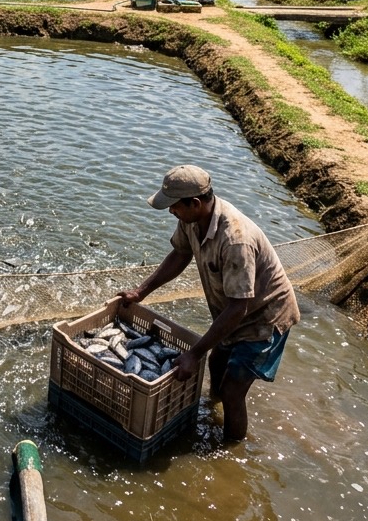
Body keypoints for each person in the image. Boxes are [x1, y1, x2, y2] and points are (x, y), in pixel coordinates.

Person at [119, 165, 300, 442]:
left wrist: (194, 353)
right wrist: (140, 292)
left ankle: (229, 451)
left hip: (264, 319)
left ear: (195, 203)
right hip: (234, 312)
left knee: (232, 391)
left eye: (174, 206)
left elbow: (239, 307)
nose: (171, 211)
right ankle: (213, 413)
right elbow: (180, 255)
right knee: (217, 365)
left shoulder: (235, 240)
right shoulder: (192, 219)